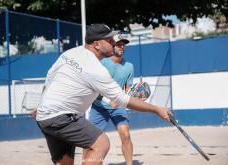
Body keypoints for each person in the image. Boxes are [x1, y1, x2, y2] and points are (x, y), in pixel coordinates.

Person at [36, 23, 172, 165]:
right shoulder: (96, 68)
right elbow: (122, 98)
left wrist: (42, 103)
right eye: (109, 40)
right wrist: (156, 109)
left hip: (44, 116)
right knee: (101, 143)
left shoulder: (71, 53)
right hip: (63, 116)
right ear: (96, 44)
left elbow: (49, 77)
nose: (114, 42)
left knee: (65, 162)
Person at [89, 34, 135, 165]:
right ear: (112, 46)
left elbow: (128, 89)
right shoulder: (101, 63)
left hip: (118, 107)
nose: (122, 47)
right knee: (91, 140)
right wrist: (108, 101)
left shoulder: (129, 67)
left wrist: (128, 101)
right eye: (119, 44)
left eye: (124, 45)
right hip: (99, 106)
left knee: (125, 134)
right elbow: (94, 88)